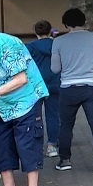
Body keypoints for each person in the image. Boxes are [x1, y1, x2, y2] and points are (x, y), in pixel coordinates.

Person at [0, 28, 50, 186]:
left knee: (27, 144)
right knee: (1, 146)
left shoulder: (4, 44)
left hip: (26, 99)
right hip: (1, 103)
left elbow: (21, 79)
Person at [51, 8, 93, 173]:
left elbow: (55, 69)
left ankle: (65, 160)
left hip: (69, 88)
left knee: (66, 125)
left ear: (66, 23)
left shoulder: (58, 42)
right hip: (92, 87)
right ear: (84, 21)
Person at [26, 20, 61, 158]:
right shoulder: (57, 45)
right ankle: (52, 145)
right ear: (50, 31)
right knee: (53, 115)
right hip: (55, 83)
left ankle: (35, 145)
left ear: (36, 32)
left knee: (35, 116)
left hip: (36, 85)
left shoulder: (29, 47)